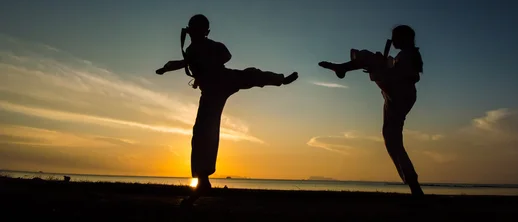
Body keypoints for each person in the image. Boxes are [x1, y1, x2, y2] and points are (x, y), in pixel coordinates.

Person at [156, 14, 298, 205]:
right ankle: (202, 180)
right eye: (193, 30)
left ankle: (280, 79)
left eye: (198, 30)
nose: (194, 34)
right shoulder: (191, 50)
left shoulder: (212, 45)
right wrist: (166, 68)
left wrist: (207, 56)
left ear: (204, 32)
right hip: (210, 93)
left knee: (251, 75)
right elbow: (182, 63)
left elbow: (226, 56)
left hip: (223, 78)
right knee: (201, 134)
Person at [318, 25, 425, 197]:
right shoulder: (406, 54)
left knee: (369, 57)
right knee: (391, 139)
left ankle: (342, 68)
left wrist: (383, 68)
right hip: (397, 95)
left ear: (404, 38)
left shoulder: (409, 54)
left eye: (395, 37)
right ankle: (413, 185)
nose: (393, 40)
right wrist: (383, 68)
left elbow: (412, 76)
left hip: (399, 92)